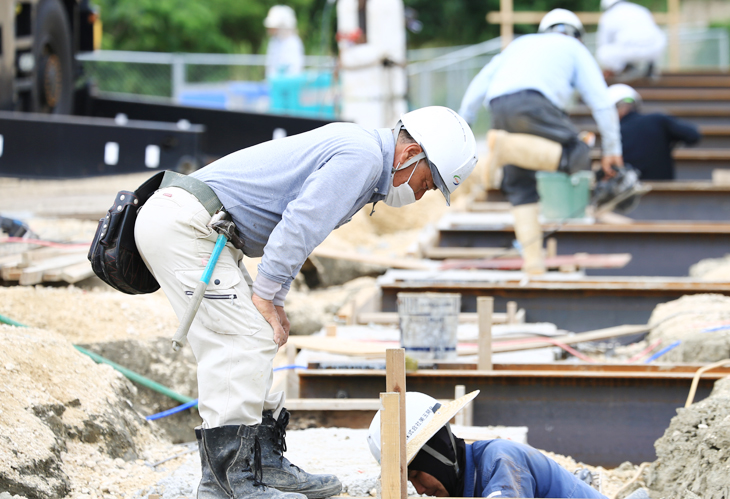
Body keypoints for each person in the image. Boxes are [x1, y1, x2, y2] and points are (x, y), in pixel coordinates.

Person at [133, 107, 477, 498]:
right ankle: (228, 482)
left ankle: (263, 465)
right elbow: (298, 224)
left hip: (202, 229)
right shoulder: (361, 158)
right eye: (427, 182)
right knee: (240, 340)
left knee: (256, 334)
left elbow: (297, 229)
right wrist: (265, 295)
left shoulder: (363, 159)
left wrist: (273, 299)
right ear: (410, 153)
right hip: (185, 226)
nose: (421, 194)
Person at [458, 8, 622, 275]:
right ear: (577, 35)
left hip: (499, 107)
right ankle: (505, 148)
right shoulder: (574, 47)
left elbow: (478, 86)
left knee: (521, 185)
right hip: (536, 105)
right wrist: (613, 149)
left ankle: (534, 263)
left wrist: (463, 128)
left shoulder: (519, 45)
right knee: (577, 151)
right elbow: (601, 103)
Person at [368, 391, 606, 499]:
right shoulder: (470, 482)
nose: (419, 490)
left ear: (440, 454)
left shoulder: (499, 460)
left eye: (417, 474)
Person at [609, 83, 700, 180]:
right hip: (664, 191)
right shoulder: (658, 120)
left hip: (629, 192)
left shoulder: (612, 134)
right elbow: (693, 135)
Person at [596, 0, 666, 81]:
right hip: (655, 49)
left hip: (630, 51)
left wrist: (608, 67)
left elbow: (603, 42)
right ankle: (650, 67)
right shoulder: (640, 9)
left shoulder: (608, 16)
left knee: (603, 52)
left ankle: (627, 68)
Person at [265, 5, 305, 79]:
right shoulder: (274, 41)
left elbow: (294, 69)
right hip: (275, 84)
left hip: (288, 84)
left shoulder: (293, 42)